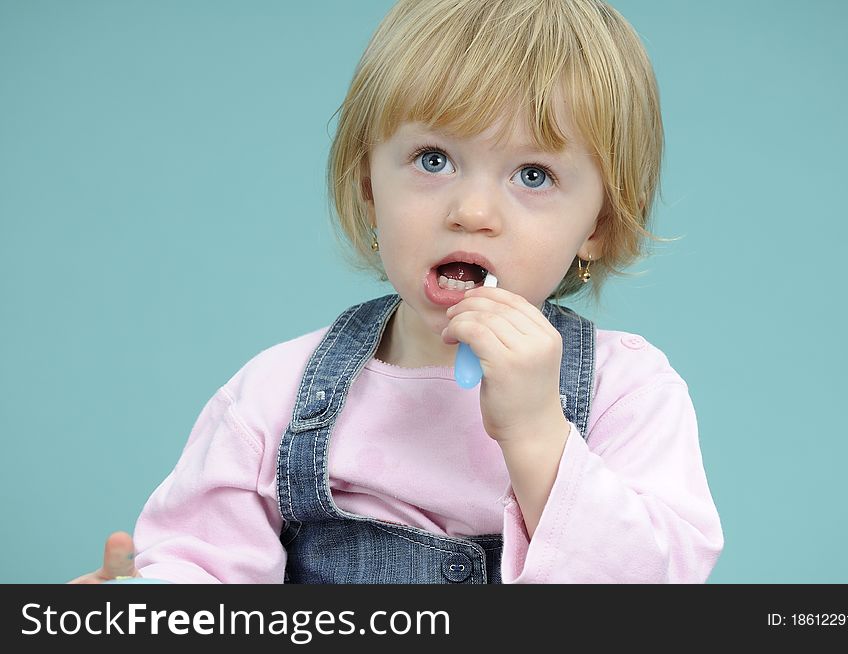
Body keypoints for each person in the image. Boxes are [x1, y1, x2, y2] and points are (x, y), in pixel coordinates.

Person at [70, 0, 723, 584]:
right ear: (366, 183)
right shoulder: (274, 395)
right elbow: (205, 573)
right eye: (434, 159)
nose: (473, 210)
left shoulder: (628, 393)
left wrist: (536, 431)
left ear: (599, 226)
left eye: (533, 173)